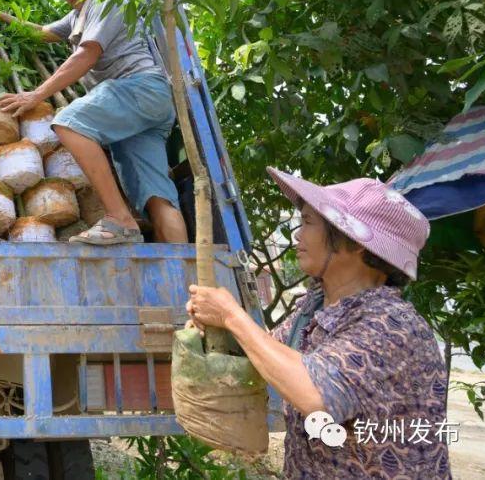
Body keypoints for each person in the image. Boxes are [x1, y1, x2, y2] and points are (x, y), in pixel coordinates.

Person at [186, 168, 450, 479]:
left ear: (355, 242)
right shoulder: (314, 309)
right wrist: (219, 330)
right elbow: (266, 355)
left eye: (309, 222)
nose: (298, 234)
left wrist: (232, 316)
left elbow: (317, 396)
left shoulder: (393, 323)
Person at [0, 0, 187, 244]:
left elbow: (87, 54)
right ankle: (187, 280)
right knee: (156, 197)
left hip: (137, 87)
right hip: (147, 105)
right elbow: (42, 32)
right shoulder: (77, 17)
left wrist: (36, 94)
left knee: (69, 123)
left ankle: (120, 220)